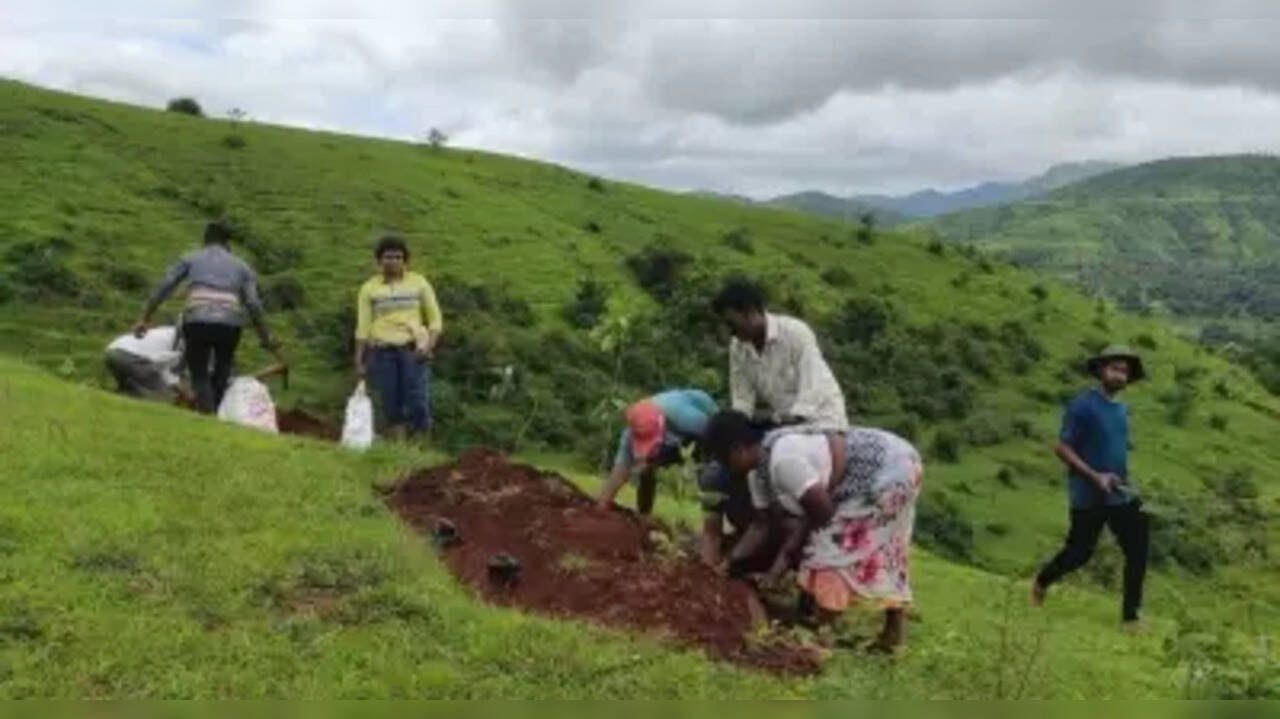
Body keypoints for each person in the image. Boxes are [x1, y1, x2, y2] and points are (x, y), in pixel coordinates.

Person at [702, 410, 922, 653]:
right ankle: (892, 636)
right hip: (893, 461)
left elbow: (822, 513)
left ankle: (821, 638)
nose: (727, 470)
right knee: (885, 551)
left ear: (738, 450)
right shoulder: (758, 470)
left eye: (725, 461)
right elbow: (761, 525)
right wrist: (730, 563)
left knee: (827, 553)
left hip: (887, 470)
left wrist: (781, 564)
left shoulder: (782, 461)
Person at [697, 278, 850, 568]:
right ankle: (751, 536)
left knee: (772, 466)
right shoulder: (738, 348)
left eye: (733, 323)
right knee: (726, 470)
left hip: (822, 420)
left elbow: (812, 389)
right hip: (784, 424)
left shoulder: (796, 333)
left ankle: (788, 546)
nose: (730, 331)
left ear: (752, 311)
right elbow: (742, 401)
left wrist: (776, 430)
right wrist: (733, 432)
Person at [1032, 345, 1150, 632]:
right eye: (1114, 368)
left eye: (1124, 371)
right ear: (1101, 371)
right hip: (1088, 495)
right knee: (1079, 553)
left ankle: (1130, 617)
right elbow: (1062, 447)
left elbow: (1114, 445)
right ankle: (1042, 580)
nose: (1120, 375)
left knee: (1138, 549)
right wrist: (1094, 475)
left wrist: (1121, 475)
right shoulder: (1082, 405)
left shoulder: (1122, 409)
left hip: (1119, 493)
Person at [133, 219, 283, 414]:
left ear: (205, 240)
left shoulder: (190, 258)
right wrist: (266, 337)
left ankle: (207, 415)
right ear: (228, 243)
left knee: (199, 373)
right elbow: (254, 305)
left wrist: (145, 317)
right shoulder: (242, 267)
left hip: (197, 320)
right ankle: (215, 414)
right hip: (230, 324)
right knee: (222, 370)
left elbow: (165, 285)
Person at [354, 235, 443, 441]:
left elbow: (435, 319)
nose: (393, 261)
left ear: (406, 260)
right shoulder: (369, 288)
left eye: (398, 257)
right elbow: (363, 326)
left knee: (417, 399)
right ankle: (399, 447)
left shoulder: (418, 282)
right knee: (390, 401)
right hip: (382, 351)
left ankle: (422, 444)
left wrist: (429, 346)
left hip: (413, 349)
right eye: (388, 257)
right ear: (378, 261)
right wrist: (359, 360)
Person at [595, 389, 719, 514]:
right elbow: (619, 471)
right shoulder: (630, 434)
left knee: (709, 477)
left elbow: (720, 437)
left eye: (650, 440)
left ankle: (713, 525)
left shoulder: (690, 419)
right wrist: (602, 505)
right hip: (674, 438)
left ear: (661, 425)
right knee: (646, 468)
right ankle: (643, 516)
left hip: (701, 432)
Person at [104, 325, 186, 402]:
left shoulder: (170, 331)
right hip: (130, 356)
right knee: (166, 397)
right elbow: (163, 366)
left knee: (128, 392)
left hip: (111, 352)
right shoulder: (184, 342)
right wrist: (182, 394)